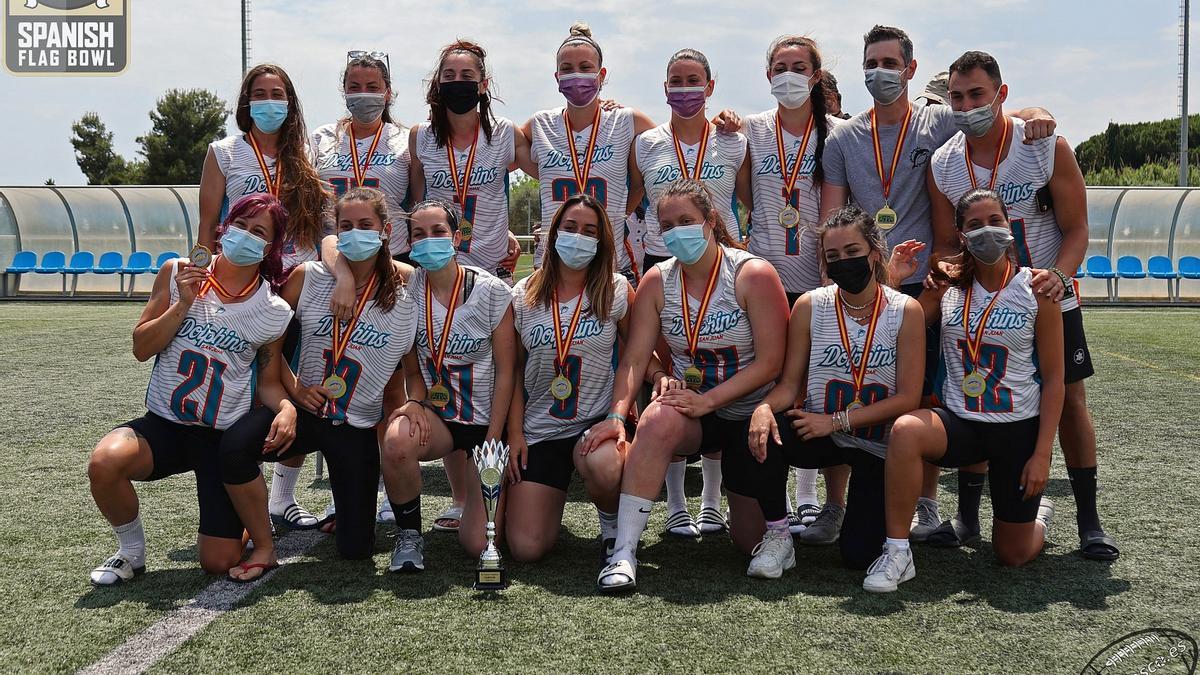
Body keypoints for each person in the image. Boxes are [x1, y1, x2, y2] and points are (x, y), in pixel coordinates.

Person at [820, 25, 1057, 542]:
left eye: (889, 61)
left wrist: (1037, 113)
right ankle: (833, 506)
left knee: (924, 391)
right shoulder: (843, 137)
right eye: (871, 62)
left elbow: (992, 109)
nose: (878, 71)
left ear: (909, 67)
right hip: (866, 281)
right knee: (851, 380)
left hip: (929, 284)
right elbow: (832, 211)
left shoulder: (938, 119)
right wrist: (835, 278)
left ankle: (927, 507)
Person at [928, 51, 1117, 559]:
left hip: (1048, 298)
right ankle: (967, 518)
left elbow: (1077, 228)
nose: (968, 106)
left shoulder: (1045, 145)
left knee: (1072, 402)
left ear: (1001, 95)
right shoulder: (944, 162)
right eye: (959, 97)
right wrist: (943, 279)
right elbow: (948, 243)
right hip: (980, 301)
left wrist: (1058, 275)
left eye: (977, 95)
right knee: (974, 395)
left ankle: (1089, 522)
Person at [586, 178, 788, 593]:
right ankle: (623, 552)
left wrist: (708, 399)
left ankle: (767, 514)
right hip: (695, 409)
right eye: (667, 224)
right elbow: (636, 358)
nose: (676, 230)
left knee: (747, 541)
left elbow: (771, 363)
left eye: (686, 220)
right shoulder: (658, 280)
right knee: (658, 418)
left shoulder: (752, 273)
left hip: (748, 411)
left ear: (710, 221)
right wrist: (615, 416)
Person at [86, 194, 295, 585]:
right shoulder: (177, 271)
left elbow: (268, 382)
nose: (245, 236)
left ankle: (247, 519)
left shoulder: (273, 309)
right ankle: (130, 552)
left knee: (218, 562)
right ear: (224, 227)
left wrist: (286, 408)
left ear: (271, 246)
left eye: (258, 232)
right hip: (165, 424)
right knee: (104, 462)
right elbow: (141, 348)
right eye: (241, 225)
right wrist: (182, 303)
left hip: (220, 438)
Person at [865, 188, 1063, 592]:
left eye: (995, 221)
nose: (986, 230)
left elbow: (1056, 379)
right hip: (961, 422)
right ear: (960, 234)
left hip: (1016, 426)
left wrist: (1042, 455)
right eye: (974, 225)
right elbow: (893, 329)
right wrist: (896, 277)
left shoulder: (1038, 289)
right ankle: (898, 551)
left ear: (1010, 226)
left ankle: (1037, 515)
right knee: (905, 430)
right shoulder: (947, 285)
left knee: (1012, 553)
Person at [218, 188, 417, 577]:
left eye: (365, 225)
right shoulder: (308, 277)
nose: (355, 233)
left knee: (357, 549)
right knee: (234, 449)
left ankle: (349, 505)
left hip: (354, 426)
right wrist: (292, 392)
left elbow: (397, 387)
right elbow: (269, 345)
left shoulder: (407, 292)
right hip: (307, 412)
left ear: (385, 231)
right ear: (336, 234)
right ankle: (250, 530)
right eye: (346, 226)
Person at [736, 205, 923, 578]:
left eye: (852, 252)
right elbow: (790, 385)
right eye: (832, 256)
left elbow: (907, 399)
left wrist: (835, 421)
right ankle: (778, 535)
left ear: (875, 252)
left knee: (859, 555)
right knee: (759, 433)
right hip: (820, 432)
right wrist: (762, 409)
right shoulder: (810, 305)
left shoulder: (906, 310)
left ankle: (860, 519)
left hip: (875, 442)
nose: (843, 262)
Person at [199, 63, 330, 530]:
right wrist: (199, 282)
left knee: (299, 383)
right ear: (245, 101)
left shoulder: (308, 152)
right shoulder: (224, 152)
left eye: (278, 93)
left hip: (299, 289)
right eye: (260, 92)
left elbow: (321, 222)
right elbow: (206, 228)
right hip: (245, 289)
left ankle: (283, 497)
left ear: (290, 103)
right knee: (249, 394)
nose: (269, 101)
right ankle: (241, 494)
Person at [630, 48, 753, 537]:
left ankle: (711, 499)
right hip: (663, 265)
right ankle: (677, 501)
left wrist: (744, 251)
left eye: (693, 79)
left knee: (720, 370)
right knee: (676, 378)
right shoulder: (646, 144)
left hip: (720, 262)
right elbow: (633, 200)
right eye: (675, 80)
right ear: (664, 89)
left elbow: (748, 200)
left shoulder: (733, 140)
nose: (684, 88)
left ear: (710, 84)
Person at [408, 40, 522, 532]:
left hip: (490, 275)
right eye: (449, 75)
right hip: (438, 275)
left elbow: (565, 159)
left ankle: (500, 482)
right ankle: (461, 498)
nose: (459, 82)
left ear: (484, 82)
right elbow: (416, 199)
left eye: (467, 74)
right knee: (442, 373)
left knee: (497, 371)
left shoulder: (506, 136)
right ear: (438, 84)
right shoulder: (419, 138)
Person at [742, 35, 846, 534]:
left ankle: (827, 502)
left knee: (823, 388)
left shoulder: (842, 132)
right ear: (768, 77)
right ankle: (780, 503)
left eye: (798, 66)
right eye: (779, 66)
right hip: (763, 283)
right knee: (770, 389)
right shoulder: (748, 130)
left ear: (816, 75)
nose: (788, 74)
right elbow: (742, 190)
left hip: (819, 281)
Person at [379, 200, 516, 572]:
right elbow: (412, 367)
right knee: (395, 440)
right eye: (418, 234)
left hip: (486, 421)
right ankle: (409, 537)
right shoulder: (406, 291)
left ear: (456, 236)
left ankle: (494, 495)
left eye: (438, 231)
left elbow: (507, 370)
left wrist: (494, 436)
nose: (429, 240)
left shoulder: (490, 290)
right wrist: (415, 404)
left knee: (477, 544)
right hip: (439, 417)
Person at [505, 194, 637, 563]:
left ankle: (610, 527)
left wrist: (619, 414)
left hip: (595, 422)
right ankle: (547, 508)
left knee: (602, 465)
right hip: (542, 428)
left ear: (601, 240)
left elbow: (638, 352)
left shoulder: (614, 289)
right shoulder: (523, 294)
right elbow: (513, 371)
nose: (578, 236)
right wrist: (516, 434)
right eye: (570, 227)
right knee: (526, 549)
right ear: (553, 234)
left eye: (589, 230)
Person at [311, 51, 412, 527]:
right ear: (343, 88)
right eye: (355, 83)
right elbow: (315, 214)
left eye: (373, 84)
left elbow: (426, 198)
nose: (363, 92)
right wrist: (341, 272)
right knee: (330, 371)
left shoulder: (408, 139)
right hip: (334, 266)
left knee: (385, 382)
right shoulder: (321, 140)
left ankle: (388, 490)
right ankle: (328, 492)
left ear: (389, 91)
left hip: (392, 263)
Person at [520, 22, 656, 280]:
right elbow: (492, 144)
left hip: (610, 265)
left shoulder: (626, 120)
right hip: (551, 266)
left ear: (601, 75)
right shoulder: (541, 124)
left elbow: (672, 145)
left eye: (585, 68)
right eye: (567, 69)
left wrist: (620, 214)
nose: (576, 75)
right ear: (557, 77)